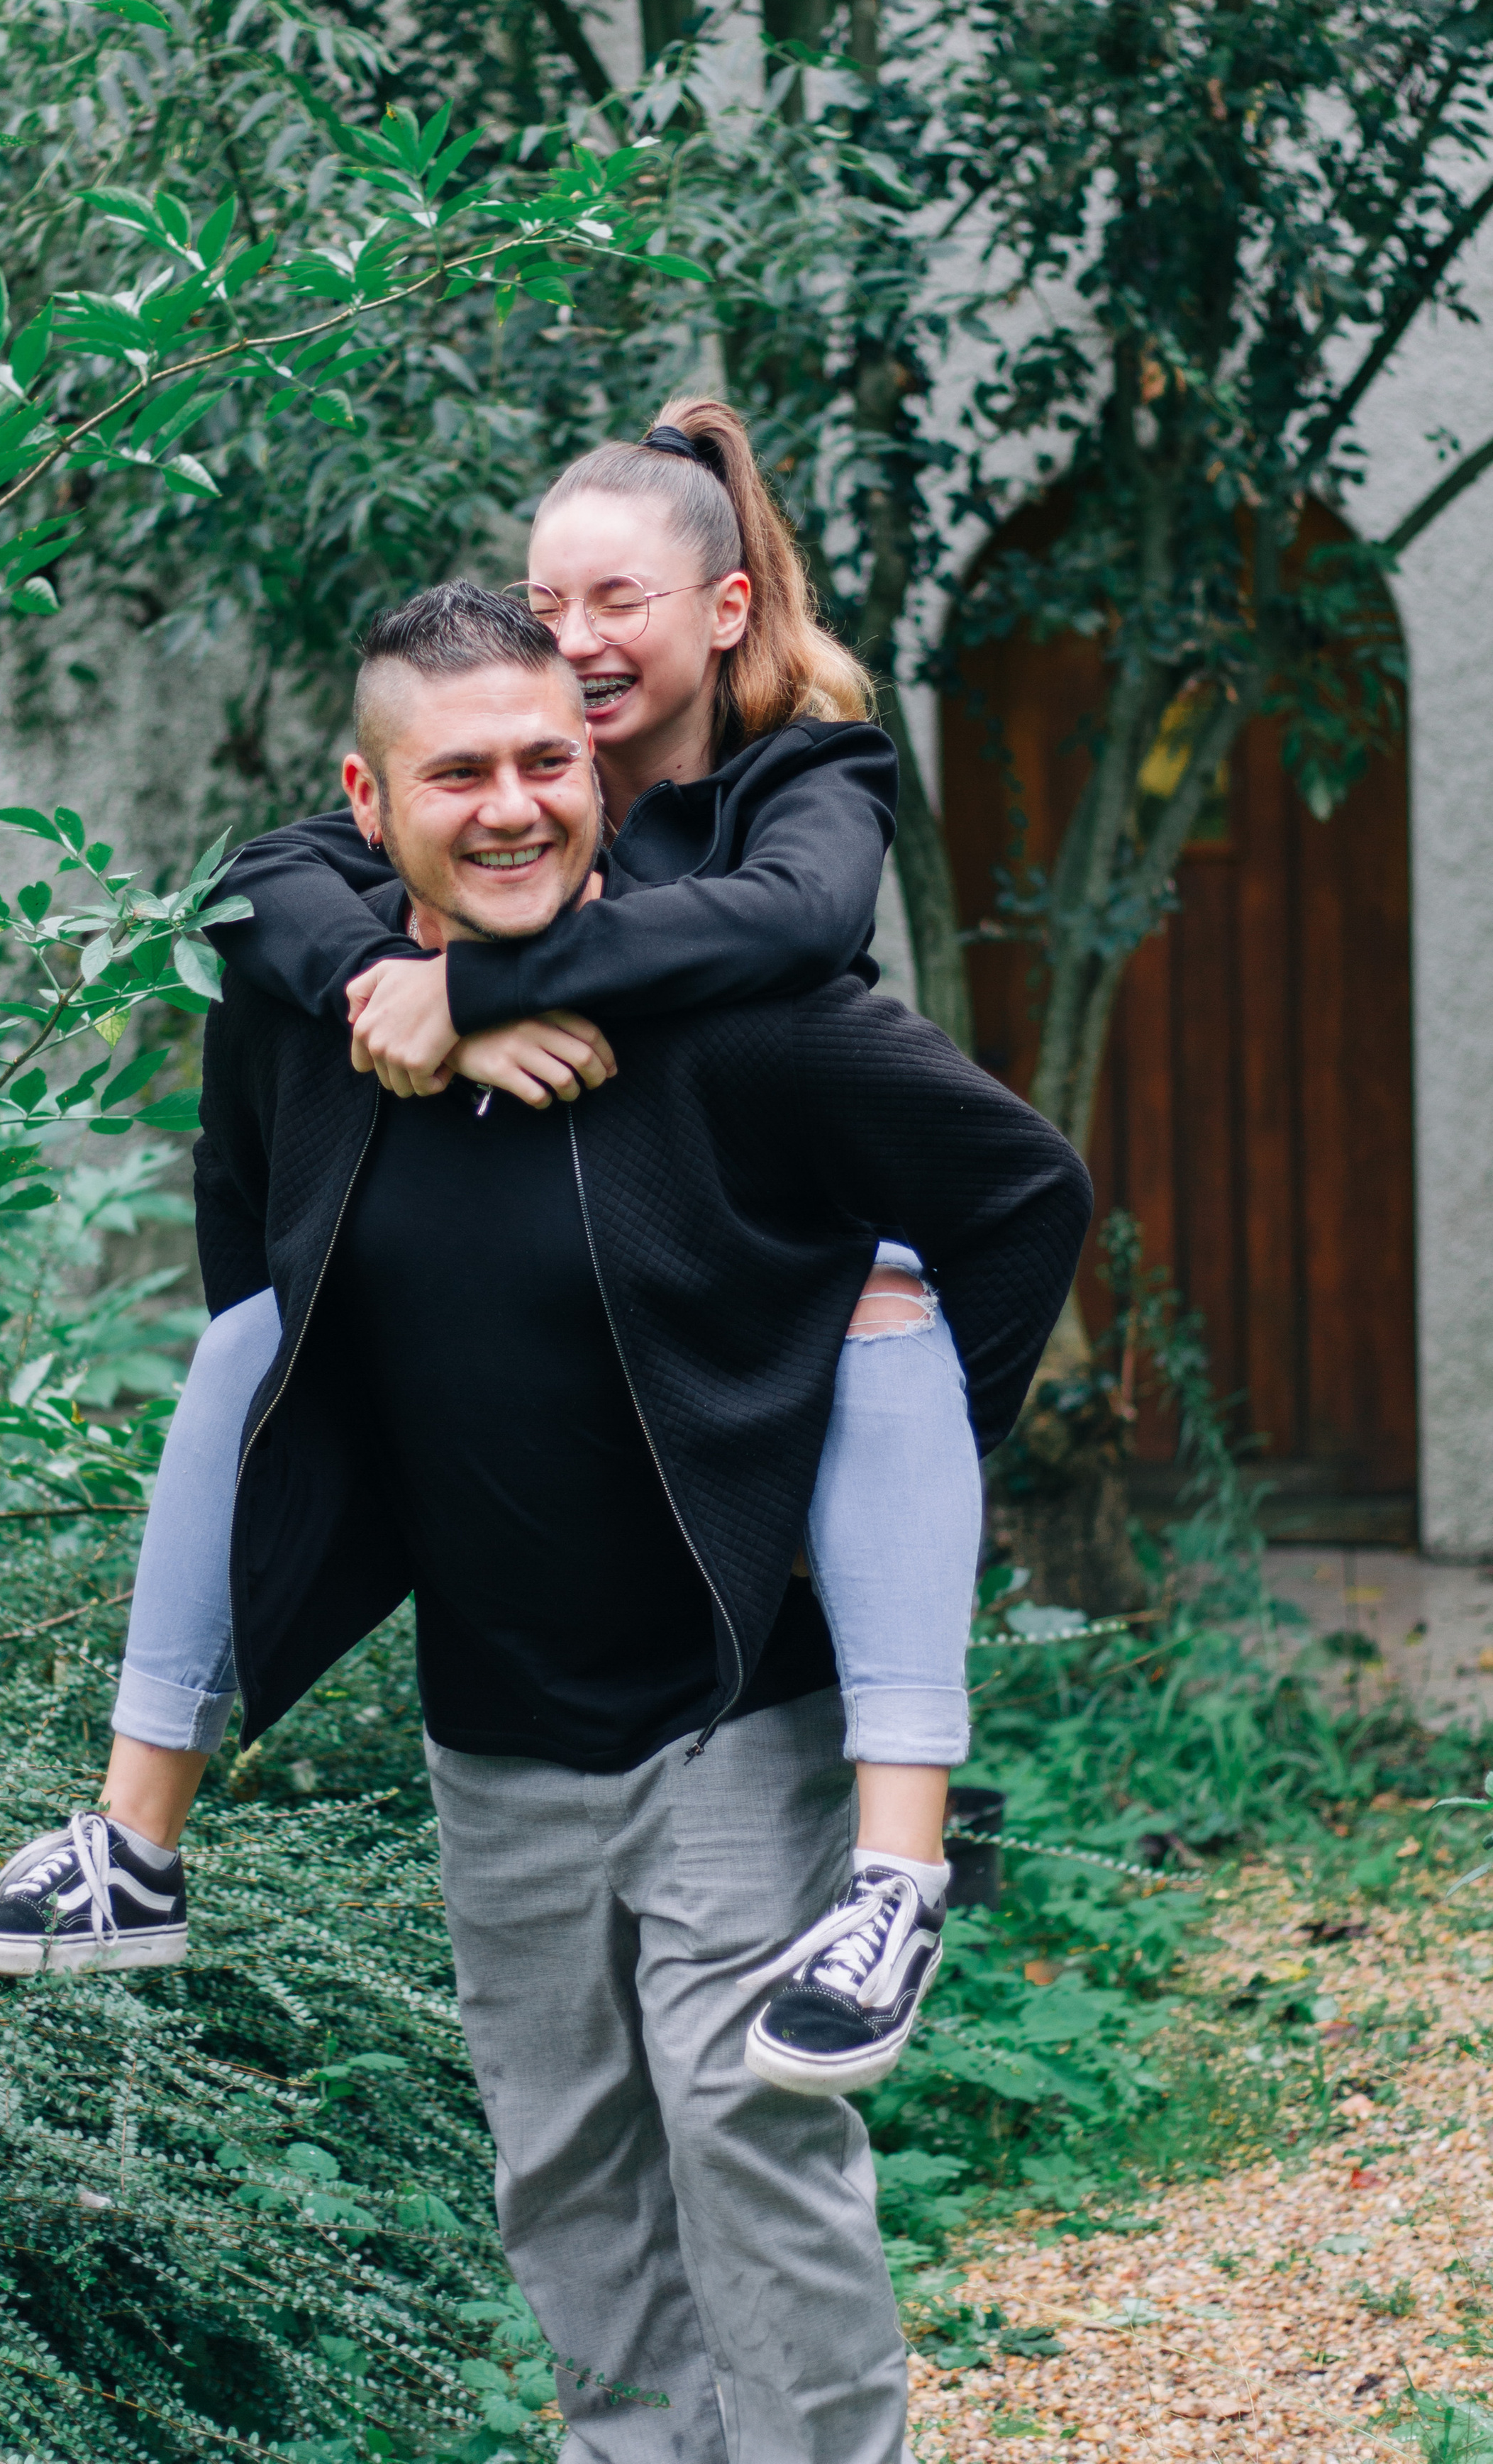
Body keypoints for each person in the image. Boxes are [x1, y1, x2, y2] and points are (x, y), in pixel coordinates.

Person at [0, 404, 996, 2092]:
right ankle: (131, 1842)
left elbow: (798, 930)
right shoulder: (478, 792)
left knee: (882, 1309)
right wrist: (382, 986)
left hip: (774, 1296)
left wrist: (483, 990)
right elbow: (273, 876)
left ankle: (896, 1868)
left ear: (721, 612)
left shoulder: (801, 783)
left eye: (613, 603)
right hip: (533, 1513)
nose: (571, 644)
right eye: (544, 601)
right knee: (256, 1341)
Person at [130, 588, 1090, 2458]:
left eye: (548, 761)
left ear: (602, 769)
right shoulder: (316, 1015)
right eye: (461, 771)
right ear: (368, 798)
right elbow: (251, 1254)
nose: (512, 805)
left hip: (735, 1696)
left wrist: (880, 1459)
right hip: (492, 1722)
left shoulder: (743, 1015)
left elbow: (1020, 1194)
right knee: (565, 2178)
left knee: (750, 2141)